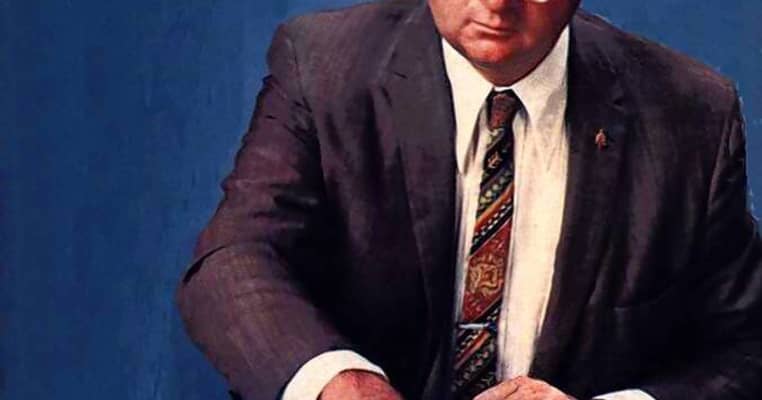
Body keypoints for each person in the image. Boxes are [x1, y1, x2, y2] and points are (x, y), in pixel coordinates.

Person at [175, 0, 762, 399]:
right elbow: (234, 261)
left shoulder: (692, 115)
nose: (497, 2)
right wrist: (340, 382)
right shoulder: (323, 65)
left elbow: (745, 345)